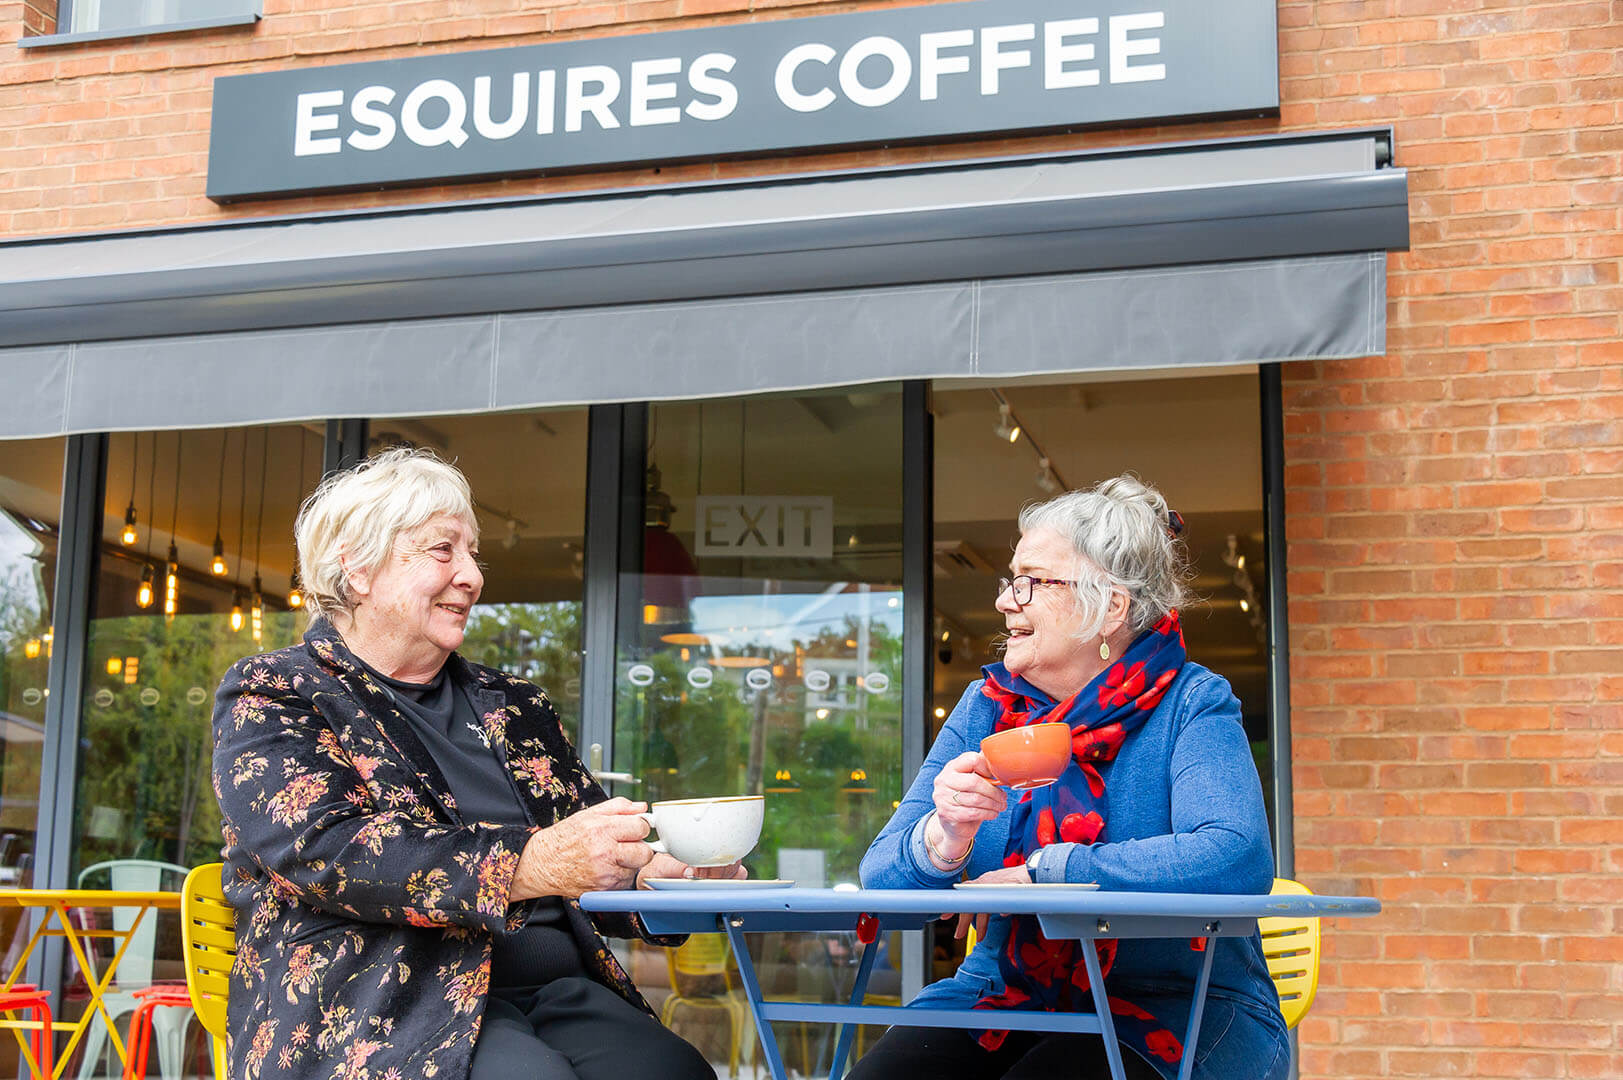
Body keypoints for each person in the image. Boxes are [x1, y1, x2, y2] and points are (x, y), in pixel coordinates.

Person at [211, 447, 737, 1080]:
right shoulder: (276, 692)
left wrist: (666, 876)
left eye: (472, 555)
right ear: (357, 569)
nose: (471, 576)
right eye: (443, 551)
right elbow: (327, 850)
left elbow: (591, 853)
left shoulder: (516, 707)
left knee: (675, 1073)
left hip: (555, 991)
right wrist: (531, 863)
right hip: (380, 1006)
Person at [852, 476, 1288, 1080]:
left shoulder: (1192, 702)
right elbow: (879, 880)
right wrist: (943, 838)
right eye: (1009, 580)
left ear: (1110, 606)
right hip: (1006, 990)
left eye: (1031, 581)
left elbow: (1235, 856)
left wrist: (1049, 872)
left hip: (1181, 999)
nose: (1006, 601)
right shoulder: (987, 705)